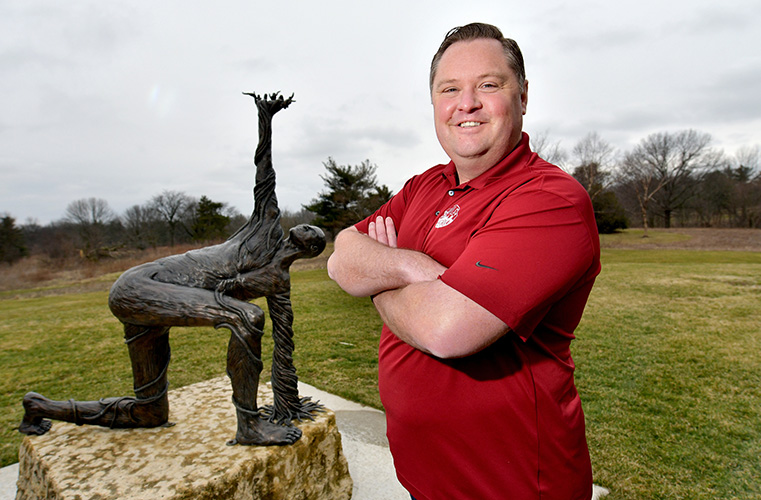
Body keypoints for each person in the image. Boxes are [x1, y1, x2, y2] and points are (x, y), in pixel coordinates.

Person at [327, 23, 601, 499]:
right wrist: (413, 270)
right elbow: (342, 257)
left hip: (512, 485)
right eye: (449, 89)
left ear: (523, 96)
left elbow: (446, 331)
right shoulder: (423, 186)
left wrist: (379, 275)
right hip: (424, 476)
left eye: (488, 85)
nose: (466, 103)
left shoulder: (550, 198)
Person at [20, 92, 325, 447]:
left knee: (150, 412)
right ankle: (249, 425)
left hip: (154, 300)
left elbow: (284, 348)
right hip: (139, 287)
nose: (308, 229)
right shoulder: (265, 226)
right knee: (247, 318)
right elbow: (264, 171)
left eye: (313, 236)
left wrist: (287, 402)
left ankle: (39, 407)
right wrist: (266, 119)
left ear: (310, 251)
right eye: (309, 227)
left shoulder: (279, 283)